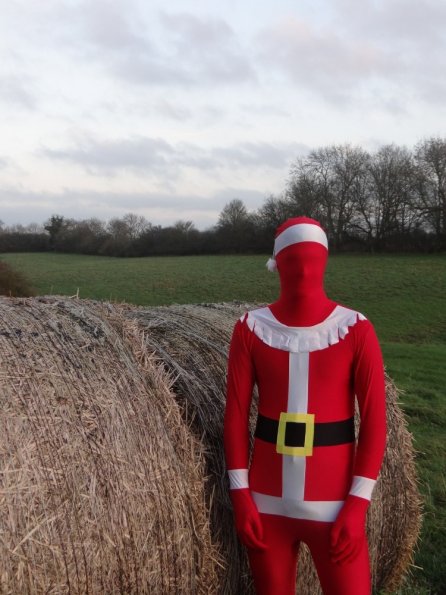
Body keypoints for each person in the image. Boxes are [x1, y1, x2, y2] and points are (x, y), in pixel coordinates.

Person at [223, 217, 387, 595]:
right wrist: (240, 495)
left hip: (334, 506)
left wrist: (358, 503)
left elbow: (376, 423)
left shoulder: (355, 329)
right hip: (266, 505)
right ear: (276, 264)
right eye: (294, 259)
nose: (305, 269)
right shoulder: (249, 328)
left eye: (313, 258)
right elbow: (234, 416)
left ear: (326, 260)